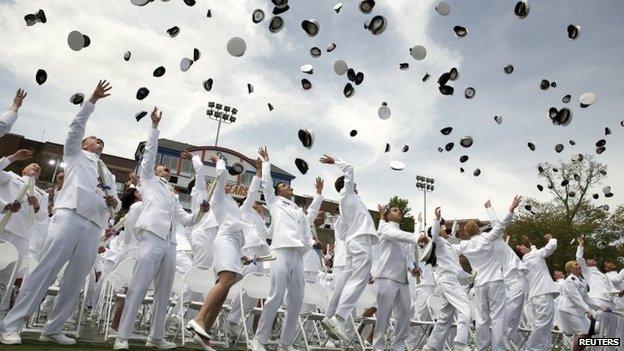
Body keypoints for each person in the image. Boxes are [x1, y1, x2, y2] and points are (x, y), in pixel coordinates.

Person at [1, 80, 120, 346]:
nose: (98, 142)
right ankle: (12, 324)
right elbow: (76, 128)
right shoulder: (75, 155)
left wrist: (114, 202)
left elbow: (116, 206)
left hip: (93, 226)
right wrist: (92, 101)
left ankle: (53, 328)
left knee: (76, 279)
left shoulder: (108, 172)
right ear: (85, 144)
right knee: (46, 270)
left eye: (102, 141)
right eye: (94, 139)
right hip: (69, 217)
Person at [115, 107, 207, 350]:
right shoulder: (148, 180)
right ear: (154, 171)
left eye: (167, 169)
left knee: (164, 292)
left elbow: (186, 221)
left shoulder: (171, 194)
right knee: (139, 286)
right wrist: (154, 128)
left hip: (170, 243)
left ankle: (156, 337)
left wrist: (201, 211)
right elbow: (149, 154)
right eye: (163, 167)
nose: (166, 169)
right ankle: (122, 337)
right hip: (151, 237)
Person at [250, 146, 314, 351]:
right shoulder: (274, 202)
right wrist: (266, 162)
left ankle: (285, 344)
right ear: (279, 191)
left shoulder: (299, 211)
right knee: (276, 296)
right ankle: (259, 340)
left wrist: (302, 251)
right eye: (286, 186)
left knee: (297, 299)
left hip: (297, 255)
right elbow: (267, 184)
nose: (290, 188)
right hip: (280, 252)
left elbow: (306, 235)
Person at [186, 154, 250, 351]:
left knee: (226, 286)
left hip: (234, 243)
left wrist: (241, 254)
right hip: (224, 240)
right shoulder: (217, 197)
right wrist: (218, 161)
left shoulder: (232, 202)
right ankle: (198, 319)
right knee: (226, 280)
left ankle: (204, 333)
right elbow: (221, 173)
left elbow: (238, 228)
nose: (228, 187)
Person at [318, 155, 379, 342]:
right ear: (347, 185)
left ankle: (330, 315)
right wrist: (335, 161)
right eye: (353, 184)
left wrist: (353, 233)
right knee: (359, 279)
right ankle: (340, 317)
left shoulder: (346, 205)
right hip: (360, 241)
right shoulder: (348, 194)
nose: (356, 185)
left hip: (354, 242)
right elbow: (350, 168)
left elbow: (342, 234)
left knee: (346, 279)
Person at [450, 195, 521, 351]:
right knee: (498, 318)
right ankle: (499, 348)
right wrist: (510, 209)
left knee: (482, 319)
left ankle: (481, 348)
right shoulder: (487, 238)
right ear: (477, 228)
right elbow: (501, 226)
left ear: (467, 233)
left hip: (480, 283)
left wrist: (436, 239)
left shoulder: (465, 245)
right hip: (495, 280)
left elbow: (450, 250)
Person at [226, 158, 271, 337]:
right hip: (249, 253)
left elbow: (269, 233)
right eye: (256, 203)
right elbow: (252, 191)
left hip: (261, 255)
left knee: (254, 291)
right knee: (246, 288)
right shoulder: (244, 209)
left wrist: (266, 215)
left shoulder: (258, 216)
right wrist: (259, 173)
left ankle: (236, 321)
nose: (259, 204)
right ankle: (232, 319)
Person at [0, 150, 48, 310]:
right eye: (32, 165)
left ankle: (2, 311)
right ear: (23, 170)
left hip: (21, 236)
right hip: (3, 228)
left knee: (8, 278)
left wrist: (37, 205)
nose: (36, 167)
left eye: (39, 169)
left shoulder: (41, 193)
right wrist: (13, 157)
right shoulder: (11, 177)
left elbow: (42, 217)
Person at [419, 207, 472, 351]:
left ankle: (431, 346)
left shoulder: (449, 245)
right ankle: (460, 343)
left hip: (448, 281)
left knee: (445, 316)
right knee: (465, 308)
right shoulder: (438, 242)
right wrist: (436, 219)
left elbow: (461, 253)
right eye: (443, 227)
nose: (444, 228)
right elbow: (434, 235)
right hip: (448, 281)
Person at [373, 204, 418, 351]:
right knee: (384, 314)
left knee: (406, 312)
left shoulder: (404, 234)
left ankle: (399, 345)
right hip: (386, 276)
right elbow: (399, 236)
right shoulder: (385, 228)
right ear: (387, 215)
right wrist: (418, 237)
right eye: (394, 210)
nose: (399, 211)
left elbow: (408, 256)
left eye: (400, 210)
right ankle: (378, 346)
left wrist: (413, 268)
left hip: (402, 278)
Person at [485, 200, 529, 348]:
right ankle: (501, 343)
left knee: (513, 316)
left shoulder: (489, 244)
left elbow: (497, 223)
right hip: (512, 280)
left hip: (514, 279)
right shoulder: (492, 241)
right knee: (510, 315)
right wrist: (509, 208)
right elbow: (499, 223)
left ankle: (505, 342)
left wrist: (490, 208)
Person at [515, 234, 559, 351]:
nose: (524, 246)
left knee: (545, 324)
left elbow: (535, 251)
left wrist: (531, 244)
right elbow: (551, 246)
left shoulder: (529, 258)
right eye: (521, 247)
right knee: (543, 324)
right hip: (542, 293)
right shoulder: (533, 257)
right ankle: (532, 348)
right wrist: (550, 238)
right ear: (522, 252)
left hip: (538, 294)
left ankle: (544, 348)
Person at [575, 237, 621, 341]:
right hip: (598, 303)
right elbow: (579, 258)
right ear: (586, 263)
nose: (593, 259)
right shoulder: (587, 271)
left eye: (594, 258)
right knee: (597, 333)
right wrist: (581, 245)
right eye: (590, 259)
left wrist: (619, 293)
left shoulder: (603, 275)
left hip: (611, 304)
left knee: (612, 334)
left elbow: (611, 288)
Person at [187, 152, 220, 268]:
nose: (207, 185)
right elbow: (200, 169)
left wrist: (219, 165)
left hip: (212, 234)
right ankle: (188, 287)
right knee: (201, 269)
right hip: (203, 233)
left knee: (210, 272)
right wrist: (193, 157)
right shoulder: (198, 193)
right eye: (206, 183)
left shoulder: (212, 199)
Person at [556, 258, 594, 351]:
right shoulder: (570, 281)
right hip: (568, 310)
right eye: (576, 265)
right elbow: (577, 298)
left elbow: (586, 298)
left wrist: (601, 306)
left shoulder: (581, 280)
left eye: (578, 264)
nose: (579, 266)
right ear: (570, 269)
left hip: (577, 311)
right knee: (583, 332)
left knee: (589, 332)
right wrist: (588, 310)